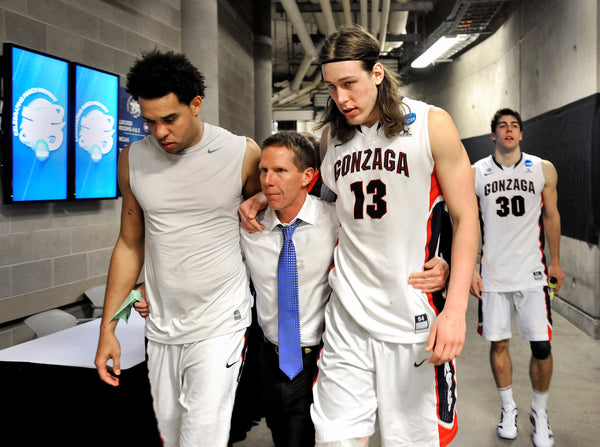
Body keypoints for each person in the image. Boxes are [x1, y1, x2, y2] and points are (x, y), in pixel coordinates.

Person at [240, 26, 479, 447]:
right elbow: (322, 197)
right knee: (335, 439)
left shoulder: (430, 124)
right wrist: (265, 194)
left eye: (349, 83)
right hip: (346, 317)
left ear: (378, 73)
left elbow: (465, 216)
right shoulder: (334, 138)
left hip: (410, 318)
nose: (341, 98)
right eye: (332, 87)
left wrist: (456, 307)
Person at [93, 49, 261, 447]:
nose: (160, 132)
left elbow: (267, 235)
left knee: (201, 438)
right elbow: (130, 243)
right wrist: (109, 327)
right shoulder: (132, 159)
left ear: (196, 104)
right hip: (162, 328)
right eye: (149, 121)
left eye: (170, 119)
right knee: (170, 437)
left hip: (221, 322)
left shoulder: (242, 153)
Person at [470, 108, 565, 447]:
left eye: (514, 126)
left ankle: (540, 412)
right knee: (500, 343)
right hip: (493, 274)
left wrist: (556, 262)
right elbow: (465, 224)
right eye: (502, 127)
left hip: (533, 273)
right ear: (493, 135)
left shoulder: (542, 169)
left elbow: (551, 216)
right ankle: (508, 408)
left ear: (521, 134)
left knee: (541, 346)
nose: (509, 131)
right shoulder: (475, 173)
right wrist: (468, 269)